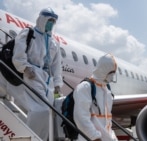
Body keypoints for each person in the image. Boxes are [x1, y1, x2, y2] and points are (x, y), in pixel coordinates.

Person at [0, 7, 63, 140]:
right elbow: (18, 54)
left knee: (49, 113)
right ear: (41, 19)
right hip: (30, 75)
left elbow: (56, 66)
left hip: (47, 80)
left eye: (53, 21)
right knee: (40, 110)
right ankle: (31, 137)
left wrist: (57, 83)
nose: (51, 23)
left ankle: (41, 138)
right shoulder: (29, 33)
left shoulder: (54, 43)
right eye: (49, 20)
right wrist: (25, 68)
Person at [73, 53, 118, 141]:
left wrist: (113, 137)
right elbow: (81, 118)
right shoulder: (85, 87)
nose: (112, 76)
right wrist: (95, 137)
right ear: (103, 70)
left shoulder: (107, 90)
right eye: (111, 73)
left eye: (114, 73)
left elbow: (108, 121)